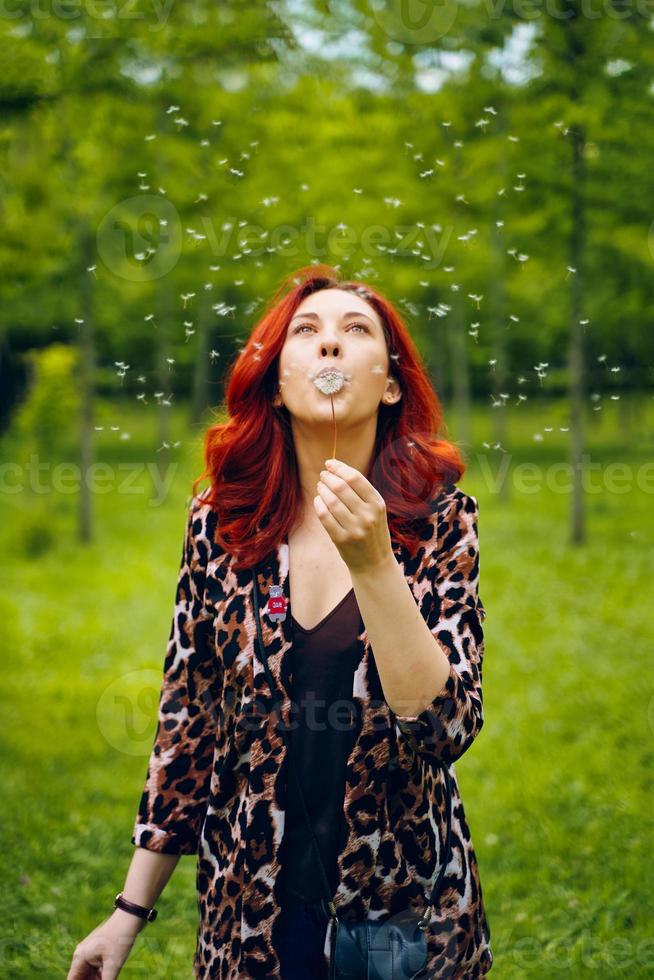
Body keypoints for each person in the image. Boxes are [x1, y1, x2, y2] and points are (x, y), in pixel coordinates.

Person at [67, 264, 493, 979]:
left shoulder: (440, 521)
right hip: (250, 913)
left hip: (398, 915)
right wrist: (127, 913)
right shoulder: (222, 524)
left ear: (391, 383)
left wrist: (377, 566)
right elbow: (189, 722)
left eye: (357, 332)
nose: (330, 346)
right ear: (275, 381)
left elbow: (444, 728)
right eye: (307, 332)